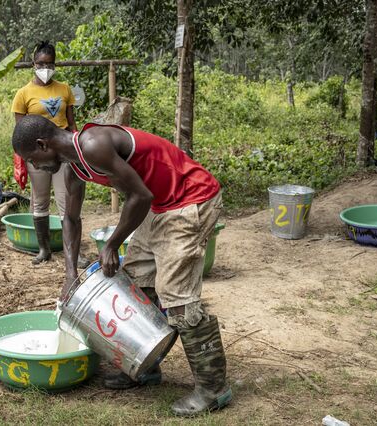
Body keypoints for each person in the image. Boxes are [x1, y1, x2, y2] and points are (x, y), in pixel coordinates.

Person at [12, 115, 232, 417]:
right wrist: (70, 273)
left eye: (31, 159)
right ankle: (146, 366)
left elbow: (141, 195)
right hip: (159, 205)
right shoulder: (74, 168)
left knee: (177, 296)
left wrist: (113, 245)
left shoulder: (93, 145)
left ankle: (213, 388)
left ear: (42, 144)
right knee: (135, 286)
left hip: (189, 197)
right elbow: (71, 220)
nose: (35, 166)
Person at [12, 41, 87, 268]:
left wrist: (77, 149)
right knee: (40, 201)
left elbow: (72, 122)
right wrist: (25, 158)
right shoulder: (23, 94)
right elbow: (21, 131)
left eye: (50, 63)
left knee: (67, 202)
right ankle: (44, 250)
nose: (46, 68)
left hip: (63, 153)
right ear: (33, 64)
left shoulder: (64, 89)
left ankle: (73, 253)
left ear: (55, 64)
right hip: (38, 155)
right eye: (41, 63)